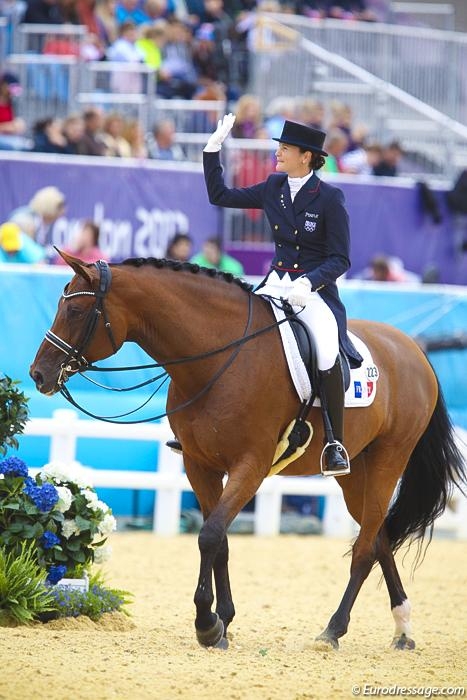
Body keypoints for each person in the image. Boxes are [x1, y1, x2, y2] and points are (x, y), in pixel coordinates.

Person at [201, 114, 363, 476]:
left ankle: (334, 443)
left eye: (285, 148)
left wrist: (309, 283)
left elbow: (340, 258)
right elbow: (220, 195)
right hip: (275, 283)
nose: (278, 153)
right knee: (231, 335)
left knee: (326, 351)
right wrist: (212, 151)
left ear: (306, 156)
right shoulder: (274, 186)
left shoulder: (330, 198)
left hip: (313, 292)